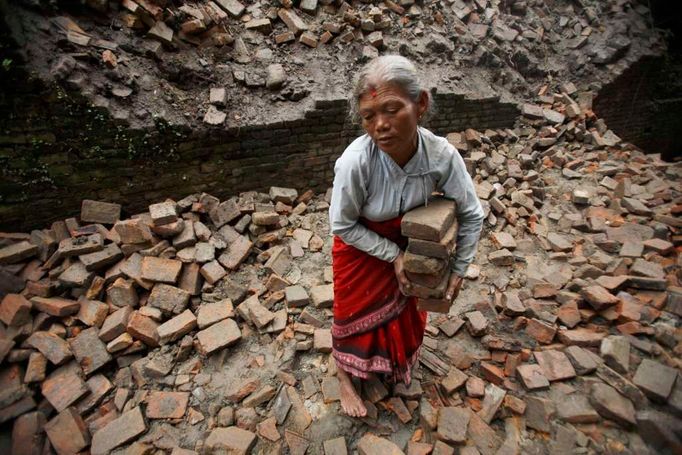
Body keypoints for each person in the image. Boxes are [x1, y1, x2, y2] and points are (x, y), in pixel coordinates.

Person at [328, 55, 486, 417]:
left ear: (421, 104)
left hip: (407, 241)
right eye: (369, 116)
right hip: (360, 245)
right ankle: (344, 376)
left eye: (392, 109)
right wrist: (392, 255)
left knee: (406, 311)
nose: (381, 125)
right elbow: (342, 225)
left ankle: (392, 363)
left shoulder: (441, 156)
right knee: (350, 314)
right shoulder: (356, 162)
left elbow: (471, 214)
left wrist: (458, 270)